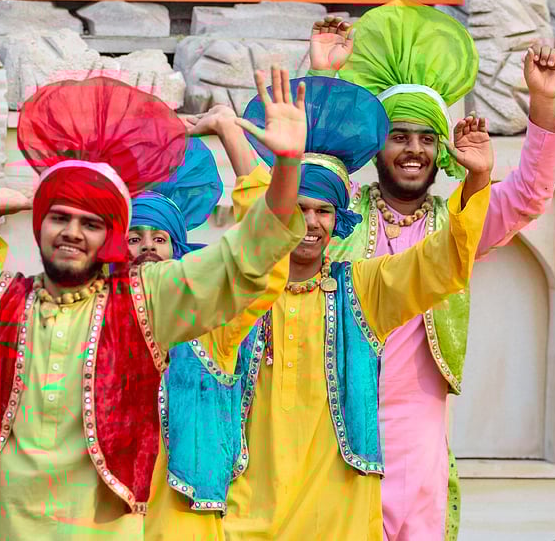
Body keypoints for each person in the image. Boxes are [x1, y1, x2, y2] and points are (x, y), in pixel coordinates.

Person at [0, 52, 308, 540]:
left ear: (111, 234)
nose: (72, 233)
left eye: (91, 223)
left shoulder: (146, 303)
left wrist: (286, 166)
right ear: (39, 224)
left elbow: (248, 255)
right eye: (60, 217)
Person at [170, 74, 492, 540]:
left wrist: (478, 176)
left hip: (337, 511)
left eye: (323, 210)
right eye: (299, 208)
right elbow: (256, 220)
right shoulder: (244, 292)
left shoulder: (363, 289)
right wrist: (229, 131)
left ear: (339, 219)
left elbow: (443, 262)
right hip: (250, 504)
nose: (311, 222)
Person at [308, 2, 555, 540]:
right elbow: (303, 175)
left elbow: (530, 194)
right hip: (330, 408)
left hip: (416, 428)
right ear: (377, 146)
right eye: (400, 136)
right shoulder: (342, 217)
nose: (413, 150)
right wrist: (323, 73)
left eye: (427, 138)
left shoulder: (458, 226)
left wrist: (542, 102)